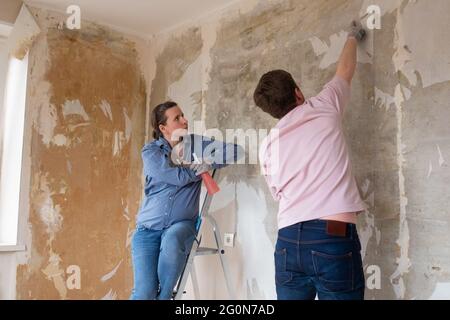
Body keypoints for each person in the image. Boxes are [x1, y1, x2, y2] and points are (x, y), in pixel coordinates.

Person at [253, 21, 368, 300]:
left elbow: (277, 192)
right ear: (298, 93)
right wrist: (353, 35)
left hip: (287, 241)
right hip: (333, 231)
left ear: (271, 111)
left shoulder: (267, 145)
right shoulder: (324, 106)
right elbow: (345, 70)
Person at [130, 101, 242, 300]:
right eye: (177, 118)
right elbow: (175, 177)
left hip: (181, 227)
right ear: (163, 128)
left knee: (172, 241)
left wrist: (208, 162)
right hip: (147, 230)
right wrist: (196, 169)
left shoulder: (196, 145)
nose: (185, 120)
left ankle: (165, 297)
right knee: (144, 293)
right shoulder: (151, 152)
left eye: (183, 115)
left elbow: (235, 150)